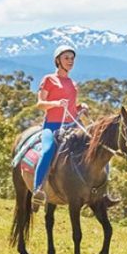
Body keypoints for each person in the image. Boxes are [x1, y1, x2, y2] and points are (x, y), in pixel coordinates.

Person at [32, 44, 89, 207]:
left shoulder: (72, 82)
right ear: (58, 60)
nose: (70, 61)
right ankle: (37, 190)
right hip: (52, 125)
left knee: (92, 148)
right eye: (66, 58)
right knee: (48, 150)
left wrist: (80, 107)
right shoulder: (49, 79)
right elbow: (40, 104)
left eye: (72, 58)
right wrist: (56, 103)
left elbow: (71, 107)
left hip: (72, 125)